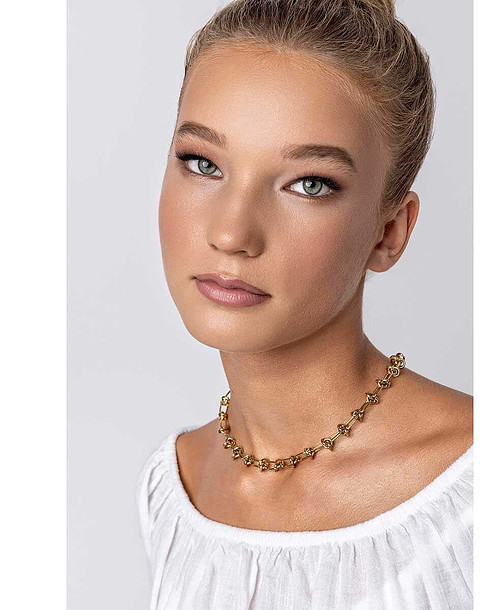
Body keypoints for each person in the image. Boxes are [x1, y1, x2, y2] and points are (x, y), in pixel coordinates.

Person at [137, 0, 473, 608]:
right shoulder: (173, 486)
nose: (232, 234)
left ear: (389, 231)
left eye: (309, 184)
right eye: (202, 164)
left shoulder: (482, 490)